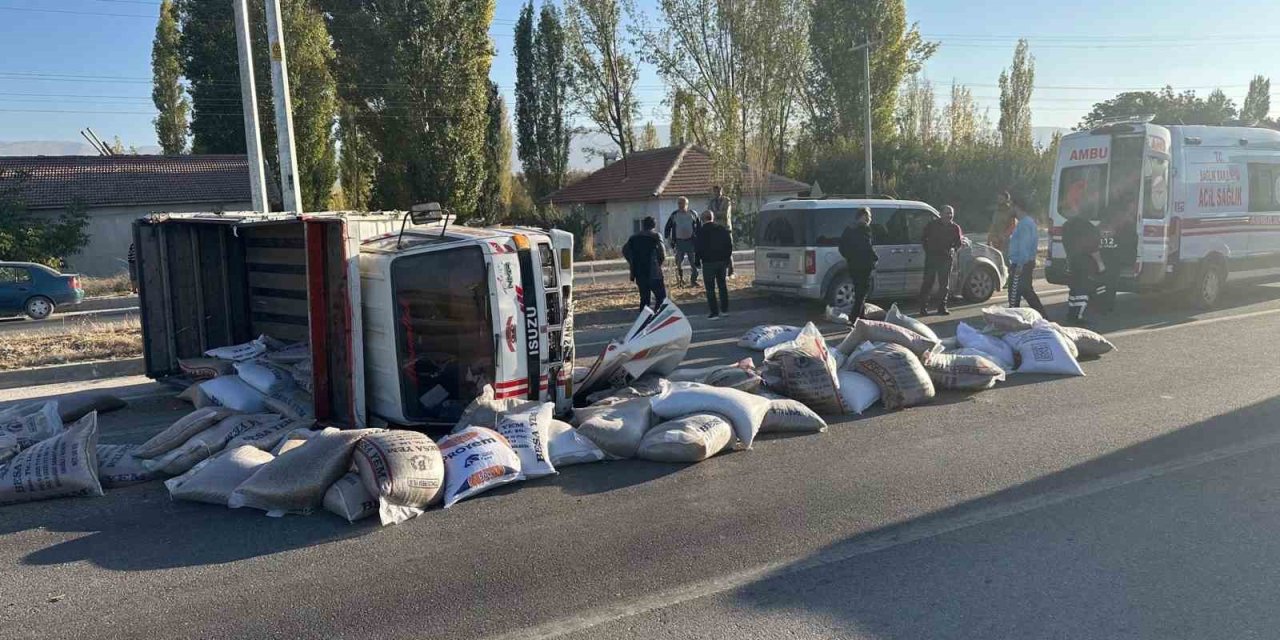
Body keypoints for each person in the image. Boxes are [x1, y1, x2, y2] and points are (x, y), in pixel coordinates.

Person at [918, 205, 964, 316]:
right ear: (940, 213)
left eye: (951, 213)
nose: (949, 215)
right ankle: (923, 308)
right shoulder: (932, 225)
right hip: (932, 258)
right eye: (947, 212)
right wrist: (928, 250)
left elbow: (958, 243)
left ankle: (942, 307)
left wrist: (954, 249)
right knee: (927, 283)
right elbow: (923, 238)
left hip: (946, 259)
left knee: (944, 285)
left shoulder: (955, 228)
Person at [1062, 208, 1105, 325]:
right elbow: (1093, 249)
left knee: (1074, 290)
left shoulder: (1067, 225)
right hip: (1085, 263)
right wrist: (1100, 264)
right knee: (1083, 290)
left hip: (1072, 261)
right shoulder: (1089, 227)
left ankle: (1071, 313)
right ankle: (1077, 317)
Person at [1006, 200, 1047, 316]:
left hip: (1021, 264)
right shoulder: (1027, 222)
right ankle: (1044, 318)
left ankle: (1013, 319)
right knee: (1026, 292)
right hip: (1025, 263)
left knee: (1014, 295)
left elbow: (1024, 246)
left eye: (1011, 207)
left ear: (1017, 207)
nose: (1010, 210)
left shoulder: (1024, 224)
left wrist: (1019, 265)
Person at [838, 207, 878, 322]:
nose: (870, 219)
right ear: (863, 216)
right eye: (868, 216)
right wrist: (874, 257)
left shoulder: (849, 229)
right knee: (862, 292)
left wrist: (850, 257)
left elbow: (841, 247)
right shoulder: (864, 229)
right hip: (864, 265)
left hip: (853, 265)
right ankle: (854, 317)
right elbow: (867, 247)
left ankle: (861, 316)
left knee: (858, 290)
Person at [1097, 203, 1138, 313]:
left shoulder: (1100, 226)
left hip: (1102, 258)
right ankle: (1107, 305)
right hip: (1114, 259)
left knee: (1102, 283)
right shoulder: (1124, 227)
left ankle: (1101, 303)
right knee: (1110, 284)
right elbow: (1130, 242)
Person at [695, 210, 734, 320]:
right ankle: (725, 310)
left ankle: (714, 312)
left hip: (708, 262)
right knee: (722, 286)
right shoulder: (722, 229)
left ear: (703, 219)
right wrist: (727, 259)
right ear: (712, 218)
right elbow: (729, 245)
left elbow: (698, 248)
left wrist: (697, 261)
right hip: (721, 261)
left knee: (710, 288)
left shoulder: (701, 231)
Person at [622, 216, 667, 311]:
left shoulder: (633, 237)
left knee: (644, 298)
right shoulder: (656, 236)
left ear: (643, 225)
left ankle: (644, 320)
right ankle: (657, 317)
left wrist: (631, 262)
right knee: (661, 297)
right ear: (654, 225)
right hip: (653, 271)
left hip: (639, 272)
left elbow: (625, 250)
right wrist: (658, 263)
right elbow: (662, 253)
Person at [663, 196, 701, 287]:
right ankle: (680, 281)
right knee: (678, 263)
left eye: (682, 203)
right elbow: (667, 227)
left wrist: (699, 239)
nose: (680, 205)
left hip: (691, 242)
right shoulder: (674, 215)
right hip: (679, 242)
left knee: (694, 263)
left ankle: (693, 280)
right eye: (679, 203)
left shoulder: (693, 214)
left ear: (686, 204)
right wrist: (668, 239)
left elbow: (699, 227)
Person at [987, 191, 1018, 257]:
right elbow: (993, 225)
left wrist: (1004, 236)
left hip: (1006, 240)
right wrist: (989, 239)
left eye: (1001, 199)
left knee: (1006, 259)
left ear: (1007, 200)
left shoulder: (1010, 211)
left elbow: (1013, 226)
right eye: (998, 198)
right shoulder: (997, 211)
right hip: (995, 240)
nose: (999, 200)